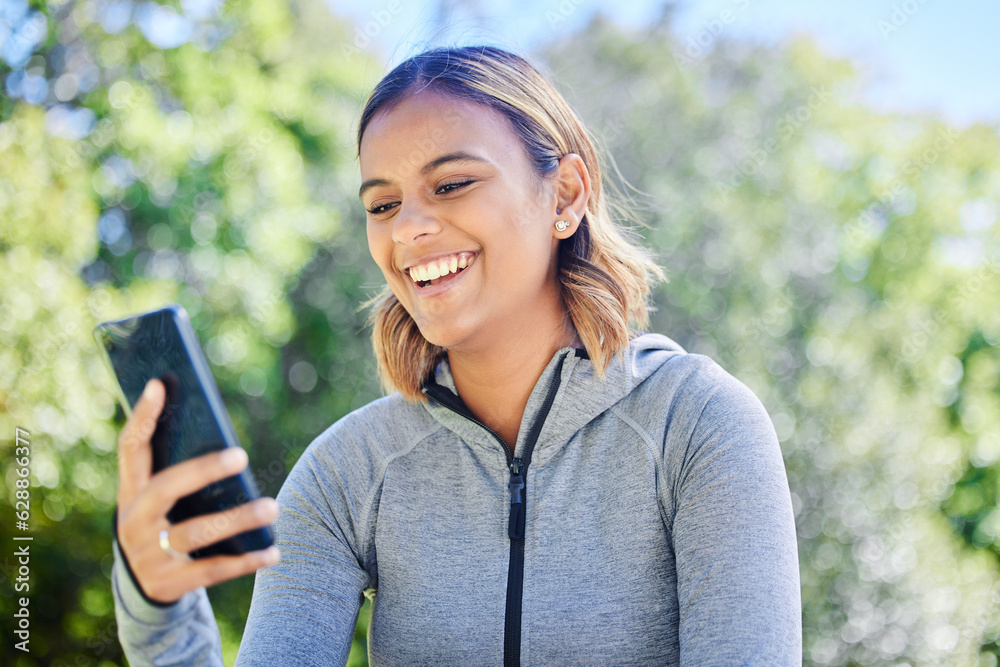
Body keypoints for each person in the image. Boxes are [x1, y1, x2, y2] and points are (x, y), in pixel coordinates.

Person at [111, 45, 801, 665]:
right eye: (382, 205)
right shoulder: (344, 475)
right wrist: (158, 611)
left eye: (451, 184)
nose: (408, 228)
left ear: (566, 195)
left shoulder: (701, 426)